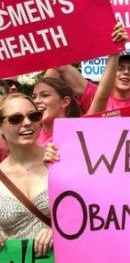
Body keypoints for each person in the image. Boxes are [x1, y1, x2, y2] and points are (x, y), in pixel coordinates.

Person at [0, 93, 52, 257]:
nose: (28, 122)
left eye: (34, 116)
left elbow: (92, 211)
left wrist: (62, 229)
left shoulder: (59, 160)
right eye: (16, 119)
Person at [31, 77, 82, 146]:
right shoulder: (29, 136)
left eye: (45, 95)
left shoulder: (78, 134)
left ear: (65, 102)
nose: (36, 101)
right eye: (34, 97)